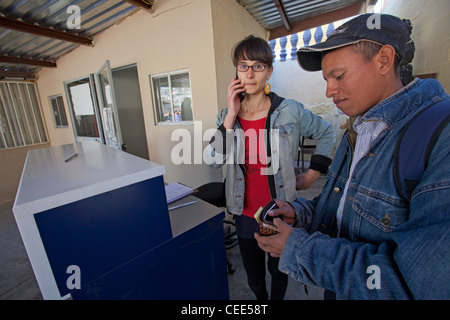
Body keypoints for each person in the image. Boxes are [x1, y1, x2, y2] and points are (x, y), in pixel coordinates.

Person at [255, 14, 450, 299]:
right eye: (326, 79)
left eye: (339, 75)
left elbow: (412, 284)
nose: (329, 90)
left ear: (384, 60)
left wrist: (298, 249)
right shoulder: (359, 128)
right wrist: (302, 214)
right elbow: (342, 202)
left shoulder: (439, 137)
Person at [204, 35, 336, 300]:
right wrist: (231, 115)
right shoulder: (226, 116)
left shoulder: (290, 110)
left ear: (269, 71)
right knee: (254, 277)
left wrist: (312, 173)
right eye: (243, 66)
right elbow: (212, 159)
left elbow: (327, 133)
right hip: (243, 212)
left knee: (279, 272)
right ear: (236, 72)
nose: (250, 73)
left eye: (258, 66)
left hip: (281, 210)